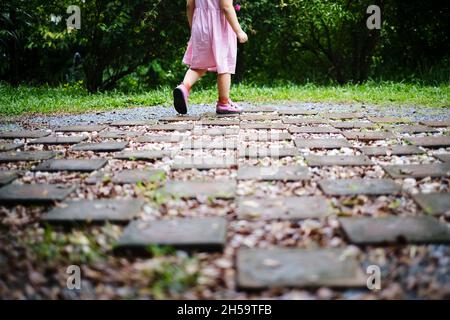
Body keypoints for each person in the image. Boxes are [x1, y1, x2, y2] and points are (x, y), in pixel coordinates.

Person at [173, 0, 248, 115]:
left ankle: (184, 87)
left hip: (200, 24)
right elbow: (226, 7)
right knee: (225, 64)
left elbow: (189, 6)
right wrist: (239, 31)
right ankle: (223, 103)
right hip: (220, 26)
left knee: (198, 65)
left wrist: (194, 27)